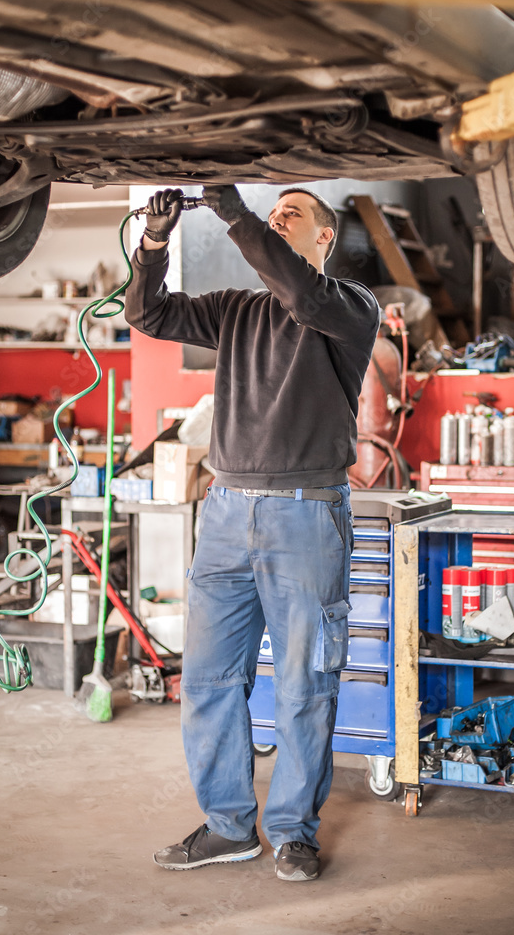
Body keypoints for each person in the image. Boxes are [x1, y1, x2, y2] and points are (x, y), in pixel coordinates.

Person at [125, 184, 379, 881]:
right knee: (208, 679)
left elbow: (300, 294)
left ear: (323, 240)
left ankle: (293, 831)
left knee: (303, 683)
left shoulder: (348, 310)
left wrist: (236, 214)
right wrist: (153, 242)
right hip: (227, 514)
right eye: (271, 215)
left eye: (291, 215)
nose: (276, 221)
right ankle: (228, 826)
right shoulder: (236, 311)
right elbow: (146, 312)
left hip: (305, 514)